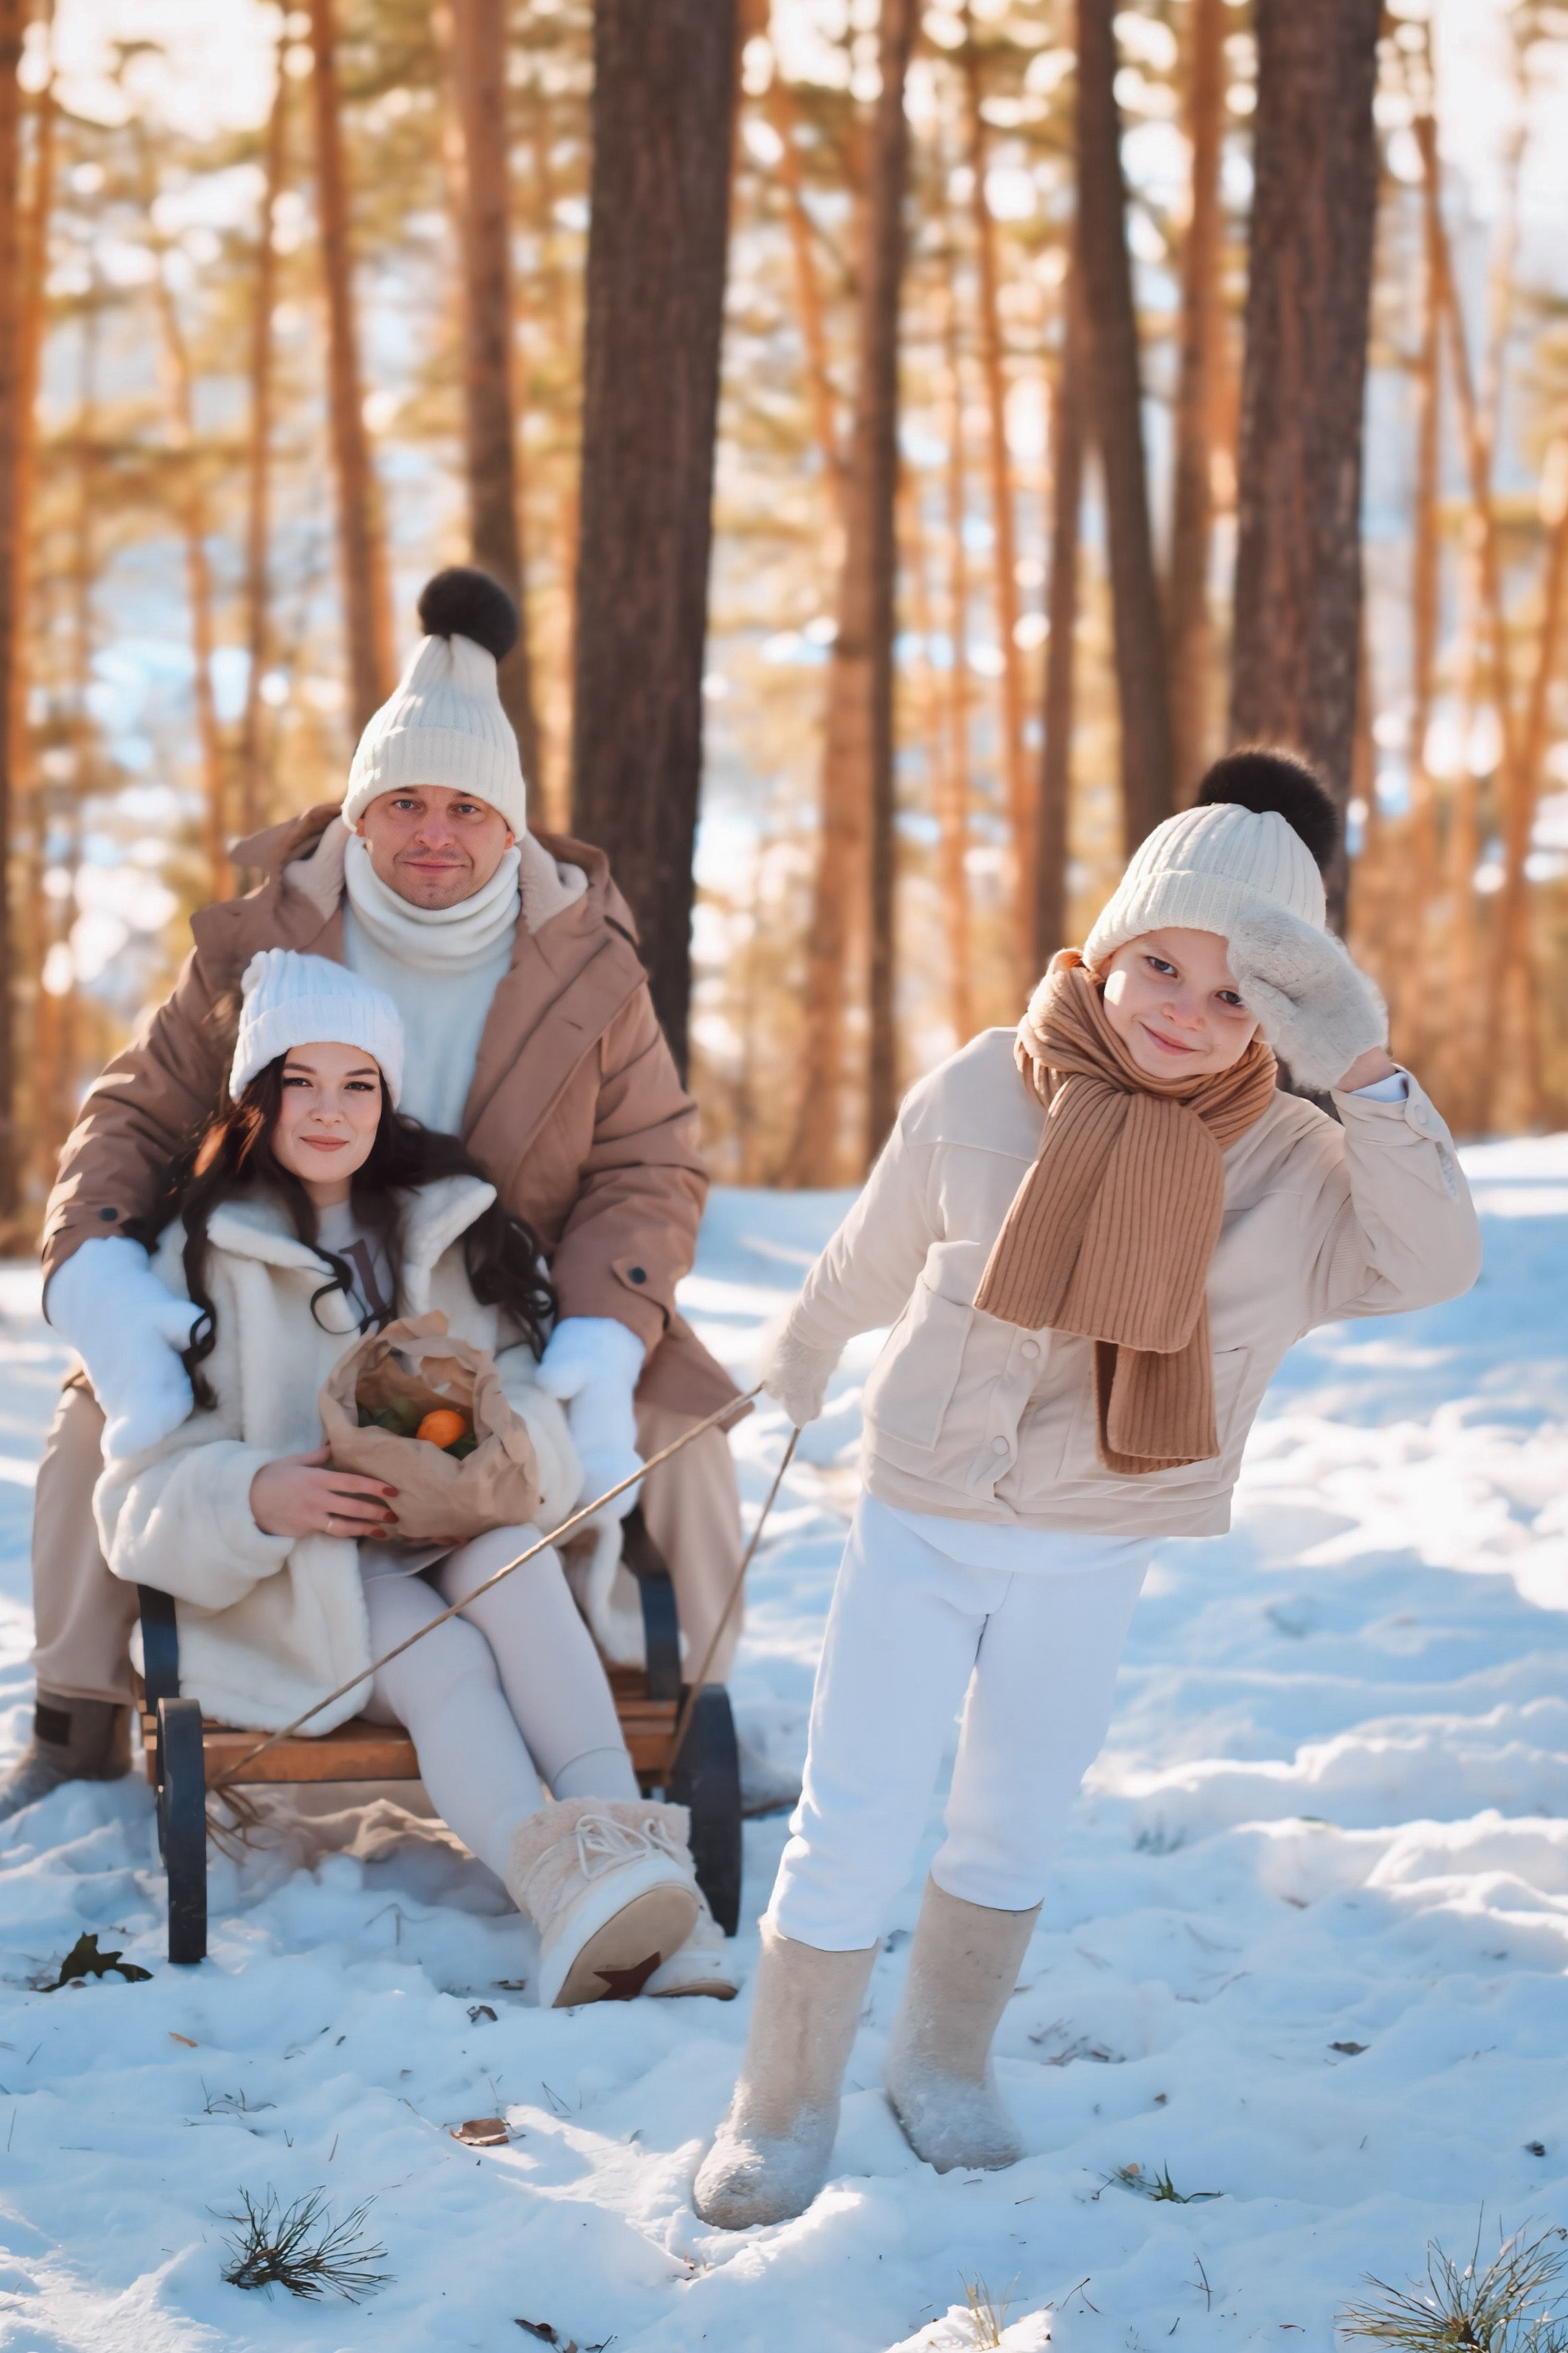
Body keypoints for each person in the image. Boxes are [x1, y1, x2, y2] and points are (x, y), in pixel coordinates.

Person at [693, 751, 1484, 2226]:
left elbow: (1436, 1261)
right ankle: (781, 2099)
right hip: (921, 1515)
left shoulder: (1299, 1166)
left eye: (1239, 992)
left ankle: (942, 2062)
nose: (1187, 1009)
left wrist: (1367, 1068)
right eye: (1161, 964)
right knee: (856, 1811)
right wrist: (799, 1355)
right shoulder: (984, 1088)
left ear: (1287, 1013)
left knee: (1014, 1813)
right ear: (1107, 942)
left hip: (1095, 1538)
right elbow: (866, 1250)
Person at [4, 565, 744, 1820]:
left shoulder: (590, 971)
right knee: (94, 1432)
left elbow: (651, 1162)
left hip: (513, 1292)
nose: (435, 834)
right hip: (276, 1278)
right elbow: (132, 1112)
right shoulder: (269, 946)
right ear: (359, 814)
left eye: (467, 807)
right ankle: (77, 1717)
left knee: (684, 1434)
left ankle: (685, 1703)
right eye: (404, 802)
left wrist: (602, 1326)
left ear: (511, 828)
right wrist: (108, 1278)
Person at [95, 948, 726, 2005]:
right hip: (312, 1571)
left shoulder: (452, 1227)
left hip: (458, 1525)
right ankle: (566, 1899)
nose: (330, 1111)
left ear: (388, 1099)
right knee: (442, 1664)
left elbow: (532, 1406)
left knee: (518, 1578)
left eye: (359, 1085)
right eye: (301, 1082)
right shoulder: (199, 1255)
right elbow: (140, 1494)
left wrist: (479, 1458)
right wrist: (257, 1494)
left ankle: (650, 1888)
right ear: (258, 1094)